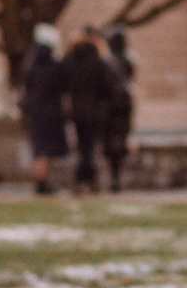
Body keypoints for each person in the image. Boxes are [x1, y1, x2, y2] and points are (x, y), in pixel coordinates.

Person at [61, 28, 127, 194]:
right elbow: (108, 88)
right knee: (88, 148)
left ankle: (84, 180)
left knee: (83, 147)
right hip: (95, 112)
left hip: (76, 111)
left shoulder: (70, 61)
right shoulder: (98, 63)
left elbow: (62, 84)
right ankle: (87, 180)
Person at [21, 24, 70, 195]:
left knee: (39, 149)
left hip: (36, 111)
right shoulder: (55, 64)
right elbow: (63, 85)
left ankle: (41, 181)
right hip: (51, 111)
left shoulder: (30, 64)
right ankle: (42, 183)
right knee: (47, 150)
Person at [102, 26, 136, 191]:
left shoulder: (110, 62)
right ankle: (116, 177)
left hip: (113, 107)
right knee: (119, 140)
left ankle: (115, 177)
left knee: (113, 141)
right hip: (123, 105)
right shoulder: (127, 61)